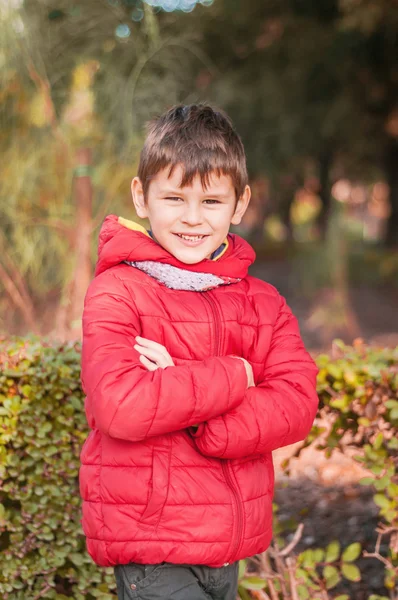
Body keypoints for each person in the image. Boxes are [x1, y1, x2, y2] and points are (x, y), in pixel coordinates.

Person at [79, 103, 319, 600]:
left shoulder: (263, 303)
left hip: (228, 549)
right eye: (174, 198)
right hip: (155, 552)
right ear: (141, 197)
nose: (192, 219)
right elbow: (122, 406)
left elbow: (296, 406)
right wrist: (234, 374)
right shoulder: (118, 292)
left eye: (211, 201)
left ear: (240, 203)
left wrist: (194, 410)